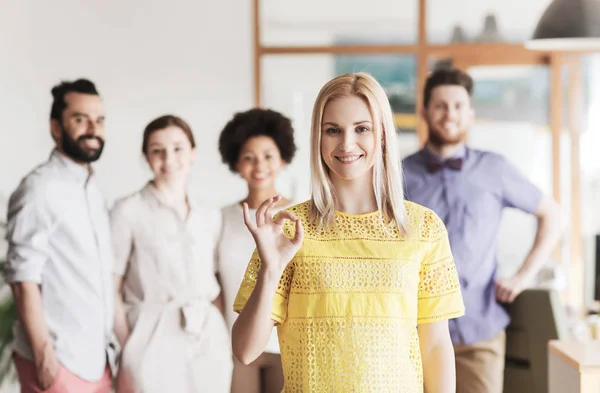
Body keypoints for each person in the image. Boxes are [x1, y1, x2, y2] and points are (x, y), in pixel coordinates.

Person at [232, 72, 465, 393]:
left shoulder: (423, 228)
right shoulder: (288, 229)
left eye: (362, 129)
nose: (346, 143)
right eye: (333, 130)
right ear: (318, 137)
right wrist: (270, 271)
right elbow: (245, 351)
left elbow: (436, 346)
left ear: (382, 135)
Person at [402, 68, 562, 393]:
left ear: (470, 114)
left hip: (480, 332)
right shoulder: (398, 175)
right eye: (441, 105)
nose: (450, 115)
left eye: (458, 106)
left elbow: (553, 214)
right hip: (414, 333)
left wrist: (522, 276)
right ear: (424, 112)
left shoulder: (495, 168)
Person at [4, 79, 114, 393]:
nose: (93, 128)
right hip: (58, 362)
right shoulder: (39, 188)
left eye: (100, 120)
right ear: (56, 127)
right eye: (81, 119)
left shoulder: (94, 190)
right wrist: (43, 354)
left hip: (97, 361)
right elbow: (23, 277)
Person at [111, 115, 232, 393]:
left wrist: (220, 331)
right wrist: (129, 344)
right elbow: (111, 286)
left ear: (193, 153)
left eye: (178, 148)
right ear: (146, 157)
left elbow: (216, 282)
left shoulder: (209, 215)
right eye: (157, 150)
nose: (169, 158)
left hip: (206, 334)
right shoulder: (128, 211)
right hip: (150, 333)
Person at [217, 108, 297, 393]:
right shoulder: (222, 218)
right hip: (237, 345)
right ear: (236, 162)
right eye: (248, 157)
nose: (259, 165)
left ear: (283, 159)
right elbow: (216, 289)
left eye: (267, 155)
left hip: (286, 343)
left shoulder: (297, 217)